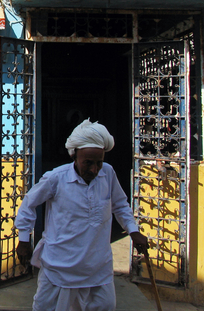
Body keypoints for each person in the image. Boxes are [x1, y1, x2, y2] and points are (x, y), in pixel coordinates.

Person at [15, 119, 148, 311]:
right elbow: (29, 204)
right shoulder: (56, 178)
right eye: (88, 163)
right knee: (46, 307)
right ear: (74, 157)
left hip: (97, 265)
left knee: (104, 305)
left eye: (99, 163)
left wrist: (133, 231)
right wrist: (24, 239)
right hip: (60, 264)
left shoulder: (108, 174)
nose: (94, 169)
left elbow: (120, 205)